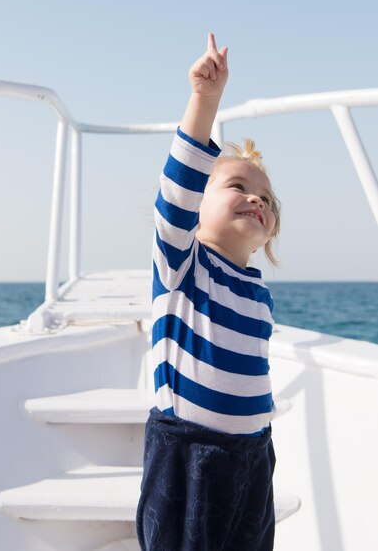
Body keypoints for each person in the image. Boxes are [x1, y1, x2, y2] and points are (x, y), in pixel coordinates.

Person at [136, 33, 281, 551]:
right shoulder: (181, 263)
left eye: (265, 197)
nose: (255, 199)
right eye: (237, 187)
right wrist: (205, 101)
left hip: (254, 455)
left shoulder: (257, 292)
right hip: (190, 455)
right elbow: (177, 187)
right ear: (196, 211)